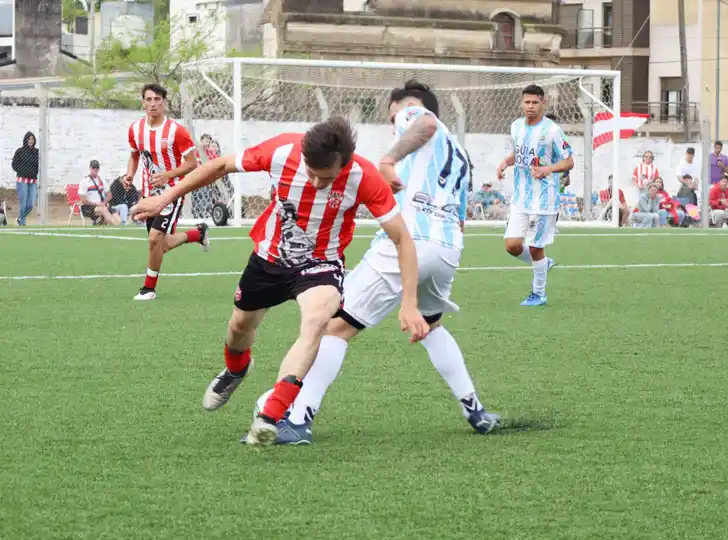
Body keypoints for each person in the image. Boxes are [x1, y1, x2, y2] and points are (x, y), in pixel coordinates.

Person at [132, 116, 429, 446]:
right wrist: (164, 198)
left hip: (321, 263)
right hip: (269, 259)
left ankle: (270, 417)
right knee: (239, 329)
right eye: (311, 173)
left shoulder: (364, 178)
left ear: (344, 164)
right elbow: (220, 166)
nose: (316, 183)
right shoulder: (282, 150)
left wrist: (410, 302)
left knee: (317, 322)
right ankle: (236, 370)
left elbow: (403, 239)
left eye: (326, 178)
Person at [265, 81, 500, 445]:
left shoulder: (415, 115)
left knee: (333, 327)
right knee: (432, 324)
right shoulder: (457, 155)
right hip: (448, 247)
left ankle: (298, 420)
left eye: (393, 118)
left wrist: (388, 159)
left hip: (410, 240)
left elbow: (424, 125)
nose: (395, 126)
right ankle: (475, 409)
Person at [125, 83, 209, 301]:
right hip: (148, 194)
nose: (153, 104)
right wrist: (129, 175)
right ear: (142, 102)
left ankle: (148, 288)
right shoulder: (135, 129)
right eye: (149, 99)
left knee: (154, 240)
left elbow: (192, 164)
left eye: (157, 100)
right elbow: (135, 155)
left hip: (172, 193)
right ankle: (197, 234)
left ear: (163, 102)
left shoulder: (176, 131)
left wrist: (168, 175)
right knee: (160, 245)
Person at [496, 84, 574, 307]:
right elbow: (520, 153)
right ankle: (543, 263)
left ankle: (538, 293)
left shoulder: (552, 131)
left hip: (544, 198)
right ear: (522, 103)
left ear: (543, 103)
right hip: (521, 197)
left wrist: (548, 169)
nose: (530, 106)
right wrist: (505, 162)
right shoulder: (516, 126)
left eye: (535, 102)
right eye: (527, 102)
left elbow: (569, 161)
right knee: (511, 245)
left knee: (535, 247)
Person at [78, 160, 123, 226]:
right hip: (89, 207)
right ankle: (116, 227)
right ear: (90, 168)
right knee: (104, 209)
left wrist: (103, 203)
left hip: (101, 205)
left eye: (97, 167)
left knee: (113, 211)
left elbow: (109, 195)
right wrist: (96, 204)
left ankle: (122, 226)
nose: (95, 169)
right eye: (93, 167)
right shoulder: (85, 182)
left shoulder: (102, 180)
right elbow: (83, 200)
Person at [11, 131, 39, 226]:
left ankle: (19, 218)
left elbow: (39, 165)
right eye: (29, 139)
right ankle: (22, 224)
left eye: (32, 139)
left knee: (30, 204)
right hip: (22, 181)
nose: (31, 141)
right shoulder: (20, 151)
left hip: (33, 181)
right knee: (23, 204)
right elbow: (14, 164)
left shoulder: (37, 152)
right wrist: (23, 171)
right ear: (25, 140)